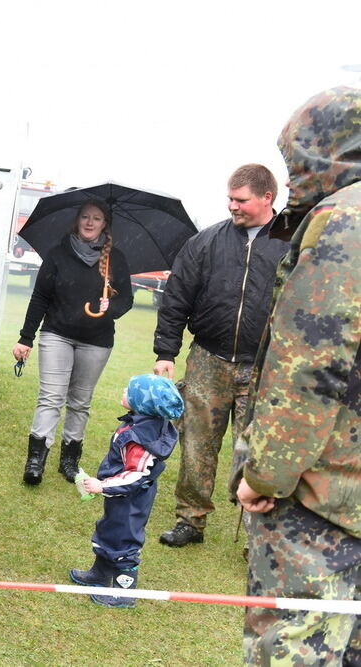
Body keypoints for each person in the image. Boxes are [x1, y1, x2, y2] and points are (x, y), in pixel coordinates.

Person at [233, 86, 360, 665]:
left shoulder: (345, 221)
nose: (292, 178)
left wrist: (265, 474)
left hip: (323, 500)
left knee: (296, 647)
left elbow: (312, 367)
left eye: (296, 161)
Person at [152, 164, 288, 547]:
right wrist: (166, 351)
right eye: (229, 198)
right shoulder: (206, 241)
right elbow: (176, 297)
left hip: (266, 364)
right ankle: (190, 521)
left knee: (259, 451)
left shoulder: (291, 243)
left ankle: (257, 537)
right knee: (197, 443)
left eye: (240, 199)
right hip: (208, 360)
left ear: (266, 198)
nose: (232, 206)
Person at [13, 199, 133, 485]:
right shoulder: (57, 254)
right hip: (57, 334)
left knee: (80, 402)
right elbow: (40, 297)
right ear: (77, 220)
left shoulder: (116, 259)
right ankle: (36, 459)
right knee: (51, 397)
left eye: (97, 218)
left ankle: (69, 460)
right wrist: (25, 337)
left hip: (97, 341)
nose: (90, 223)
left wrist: (110, 307)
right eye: (85, 217)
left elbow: (127, 300)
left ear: (105, 225)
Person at [69, 373, 184, 608]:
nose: (124, 390)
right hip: (122, 494)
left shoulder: (142, 437)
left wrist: (103, 485)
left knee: (125, 541)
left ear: (144, 403)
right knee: (109, 530)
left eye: (129, 391)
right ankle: (100, 574)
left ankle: (125, 592)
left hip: (132, 498)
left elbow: (136, 475)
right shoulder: (141, 421)